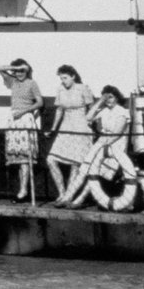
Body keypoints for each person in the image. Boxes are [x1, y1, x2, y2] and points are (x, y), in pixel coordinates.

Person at [64, 85, 140, 206]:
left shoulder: (122, 112)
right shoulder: (104, 111)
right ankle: (67, 197)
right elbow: (88, 117)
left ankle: (79, 200)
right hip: (102, 142)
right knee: (84, 169)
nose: (108, 100)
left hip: (115, 146)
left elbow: (117, 133)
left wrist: (101, 146)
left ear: (117, 98)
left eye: (111, 97)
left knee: (95, 172)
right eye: (106, 98)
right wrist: (100, 102)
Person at [44, 64, 95, 200]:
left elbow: (92, 107)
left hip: (80, 127)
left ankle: (69, 195)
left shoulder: (83, 88)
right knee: (51, 159)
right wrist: (53, 128)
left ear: (73, 76)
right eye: (61, 78)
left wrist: (90, 121)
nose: (63, 81)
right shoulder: (60, 89)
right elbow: (59, 110)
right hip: (65, 127)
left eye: (65, 78)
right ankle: (61, 192)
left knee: (75, 163)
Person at [0, 58, 42, 201]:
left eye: (22, 70)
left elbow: (39, 102)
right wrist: (15, 68)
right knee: (17, 158)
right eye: (16, 71)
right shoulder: (13, 82)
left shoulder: (31, 83)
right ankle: (22, 190)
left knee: (25, 158)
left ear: (27, 70)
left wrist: (24, 111)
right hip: (14, 120)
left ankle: (23, 191)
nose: (19, 73)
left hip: (24, 119)